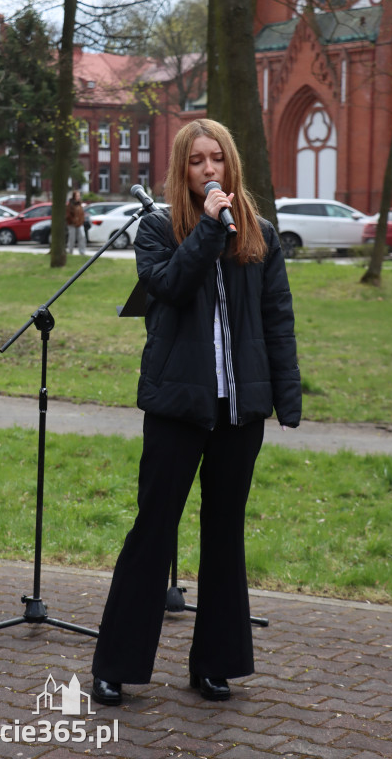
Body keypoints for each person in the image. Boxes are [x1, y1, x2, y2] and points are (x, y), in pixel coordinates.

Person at [90, 119, 301, 706]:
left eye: (218, 160)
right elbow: (172, 286)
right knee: (152, 531)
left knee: (225, 532)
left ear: (231, 165)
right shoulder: (158, 230)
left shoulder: (258, 233)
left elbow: (277, 321)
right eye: (197, 161)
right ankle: (117, 663)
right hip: (177, 408)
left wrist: (284, 397)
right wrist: (208, 228)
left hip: (239, 413)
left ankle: (216, 662)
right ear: (181, 169)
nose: (210, 170)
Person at [66, 190, 86, 254]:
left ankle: (82, 252)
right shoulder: (70, 204)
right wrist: (73, 221)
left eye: (79, 196)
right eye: (77, 196)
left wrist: (81, 221)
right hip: (72, 224)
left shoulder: (79, 204)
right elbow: (68, 215)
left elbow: (82, 214)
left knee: (82, 236)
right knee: (72, 238)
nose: (78, 197)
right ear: (74, 196)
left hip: (80, 223)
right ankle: (70, 251)